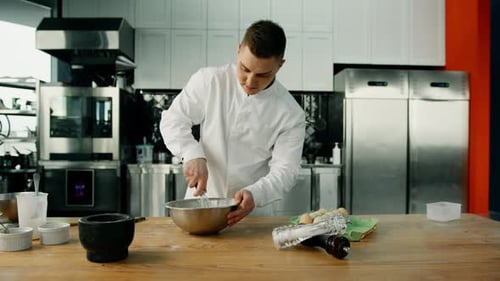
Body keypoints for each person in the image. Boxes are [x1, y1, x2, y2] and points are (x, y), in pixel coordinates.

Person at [160, 20, 306, 226]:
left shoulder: (291, 113)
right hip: (202, 204)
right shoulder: (209, 80)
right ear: (238, 50)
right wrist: (191, 153)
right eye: (244, 69)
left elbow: (286, 170)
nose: (250, 81)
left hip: (251, 213)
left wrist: (256, 193)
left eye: (263, 75)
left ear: (280, 65)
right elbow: (173, 120)